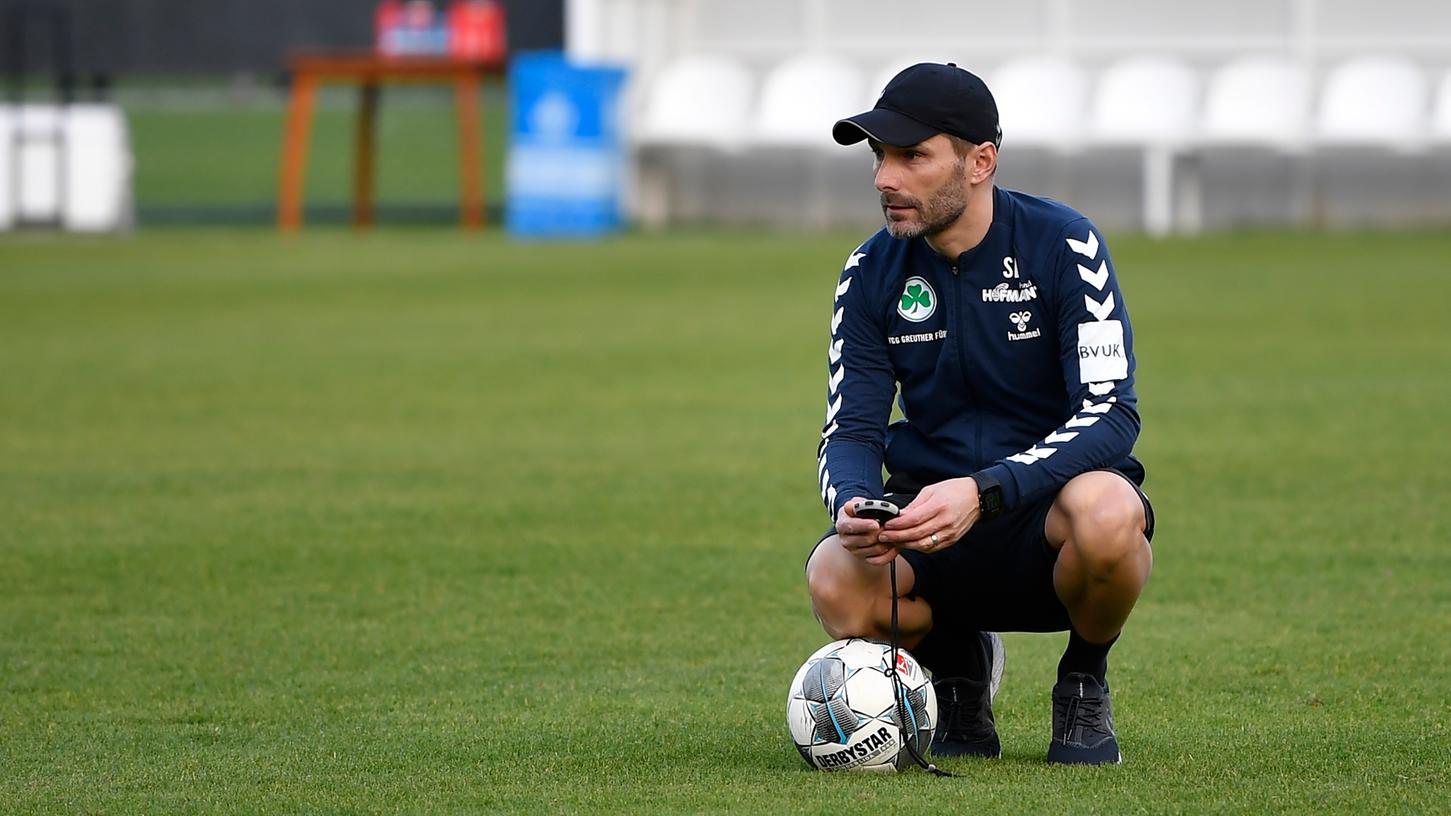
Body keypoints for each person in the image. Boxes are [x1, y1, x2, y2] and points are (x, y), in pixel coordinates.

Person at [807, 62, 1155, 766]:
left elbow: (1111, 414)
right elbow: (850, 430)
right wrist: (851, 503)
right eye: (879, 157)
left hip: (1041, 516)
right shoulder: (869, 271)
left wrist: (987, 488)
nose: (884, 178)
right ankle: (957, 672)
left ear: (979, 162)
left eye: (912, 156)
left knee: (1109, 513)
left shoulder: (1066, 245)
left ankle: (1083, 676)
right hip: (928, 522)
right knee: (834, 575)